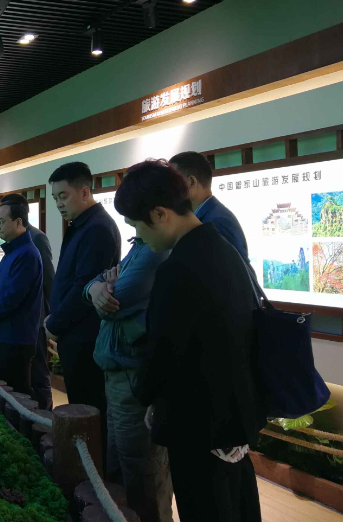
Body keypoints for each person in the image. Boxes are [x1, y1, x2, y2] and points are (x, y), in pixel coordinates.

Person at [114, 159, 264, 522]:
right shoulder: (222, 248)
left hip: (199, 425)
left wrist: (145, 393)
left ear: (160, 214)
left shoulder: (178, 268)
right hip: (232, 420)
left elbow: (164, 352)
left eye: (138, 227)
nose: (140, 237)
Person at [84, 228, 172, 519]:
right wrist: (97, 287)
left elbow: (113, 303)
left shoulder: (155, 248)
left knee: (140, 470)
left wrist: (106, 286)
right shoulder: (142, 244)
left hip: (134, 375)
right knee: (120, 464)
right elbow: (96, 285)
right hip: (119, 371)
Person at [45, 161, 121, 416]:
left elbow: (85, 287)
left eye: (63, 196)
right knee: (80, 407)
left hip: (86, 339)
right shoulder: (83, 224)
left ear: (85, 192)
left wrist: (55, 324)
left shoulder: (97, 228)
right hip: (75, 336)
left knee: (88, 412)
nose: (59, 204)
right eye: (55, 198)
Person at [0, 201, 43, 395]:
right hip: (3, 335)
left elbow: (11, 297)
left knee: (16, 394)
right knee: (5, 391)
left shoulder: (27, 254)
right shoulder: (12, 251)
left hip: (16, 338)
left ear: (18, 222)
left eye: (1, 222)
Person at [0, 193, 55, 410]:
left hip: (35, 318)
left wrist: (48, 317)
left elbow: (48, 280)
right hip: (16, 322)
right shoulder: (12, 240)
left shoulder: (36, 238)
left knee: (38, 372)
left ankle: (44, 416)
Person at [169, 151, 248, 260]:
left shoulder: (217, 222)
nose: (169, 189)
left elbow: (233, 269)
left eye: (173, 182)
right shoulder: (209, 216)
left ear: (191, 182)